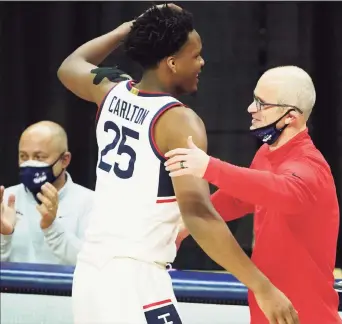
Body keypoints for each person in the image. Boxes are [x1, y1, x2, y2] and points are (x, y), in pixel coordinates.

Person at [57, 4, 299, 324]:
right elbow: (198, 213)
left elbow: (70, 66)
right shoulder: (178, 121)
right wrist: (262, 287)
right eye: (195, 55)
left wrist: (128, 28)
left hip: (90, 275)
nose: (202, 62)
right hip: (134, 279)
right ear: (171, 62)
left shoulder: (111, 90)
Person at [166, 66, 342, 324]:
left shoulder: (310, 165)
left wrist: (208, 167)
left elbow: (283, 190)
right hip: (268, 308)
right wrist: (186, 225)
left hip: (305, 315)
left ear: (290, 116)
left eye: (262, 103)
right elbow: (241, 197)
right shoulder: (268, 153)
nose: (250, 108)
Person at [0, 121, 93, 265]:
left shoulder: (90, 203)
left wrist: (52, 228)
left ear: (64, 160)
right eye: (23, 156)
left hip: (66, 288)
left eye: (39, 157)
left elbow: (91, 264)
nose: (30, 163)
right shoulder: (6, 199)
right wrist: (4, 236)